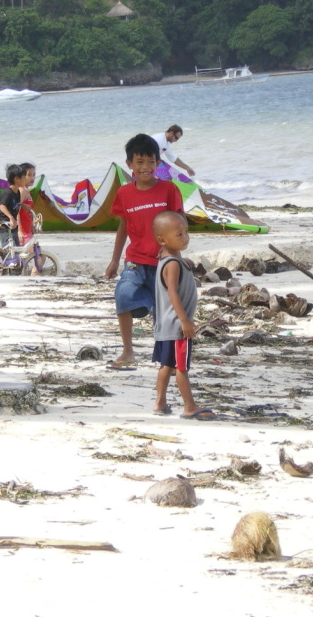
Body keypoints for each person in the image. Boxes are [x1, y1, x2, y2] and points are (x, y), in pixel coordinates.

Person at [104, 133, 184, 370]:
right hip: (135, 260)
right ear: (129, 164)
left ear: (158, 163)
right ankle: (128, 351)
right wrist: (114, 261)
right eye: (139, 162)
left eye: (151, 162)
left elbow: (180, 224)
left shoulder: (169, 189)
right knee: (123, 294)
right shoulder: (124, 194)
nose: (145, 167)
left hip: (164, 262)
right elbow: (123, 227)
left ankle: (165, 357)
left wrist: (174, 256)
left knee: (165, 311)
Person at [151, 211, 214, 420]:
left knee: (166, 365)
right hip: (178, 326)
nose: (185, 237)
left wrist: (180, 257)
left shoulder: (169, 260)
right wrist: (185, 320)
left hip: (165, 325)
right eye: (179, 235)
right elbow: (172, 293)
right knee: (181, 367)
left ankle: (160, 402)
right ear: (162, 239)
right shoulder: (172, 265)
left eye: (186, 232)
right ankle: (189, 406)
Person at [0, 164, 24, 252]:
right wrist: (11, 217)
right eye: (23, 177)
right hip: (5, 227)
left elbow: (16, 204)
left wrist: (23, 205)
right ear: (16, 179)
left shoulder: (17, 193)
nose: (25, 179)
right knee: (9, 252)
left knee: (16, 252)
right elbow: (2, 206)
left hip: (13, 227)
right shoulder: (8, 193)